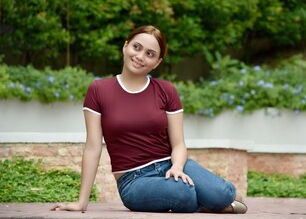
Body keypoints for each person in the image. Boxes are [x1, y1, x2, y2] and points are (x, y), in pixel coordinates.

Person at [50, 25, 247, 214]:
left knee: (222, 194)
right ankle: (209, 203)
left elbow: (179, 144)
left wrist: (177, 168)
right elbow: (93, 147)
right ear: (126, 46)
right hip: (133, 181)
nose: (140, 57)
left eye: (150, 54)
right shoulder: (99, 90)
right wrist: (81, 202)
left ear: (158, 62)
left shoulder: (167, 90)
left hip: (171, 164)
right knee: (183, 193)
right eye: (137, 47)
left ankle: (220, 197)